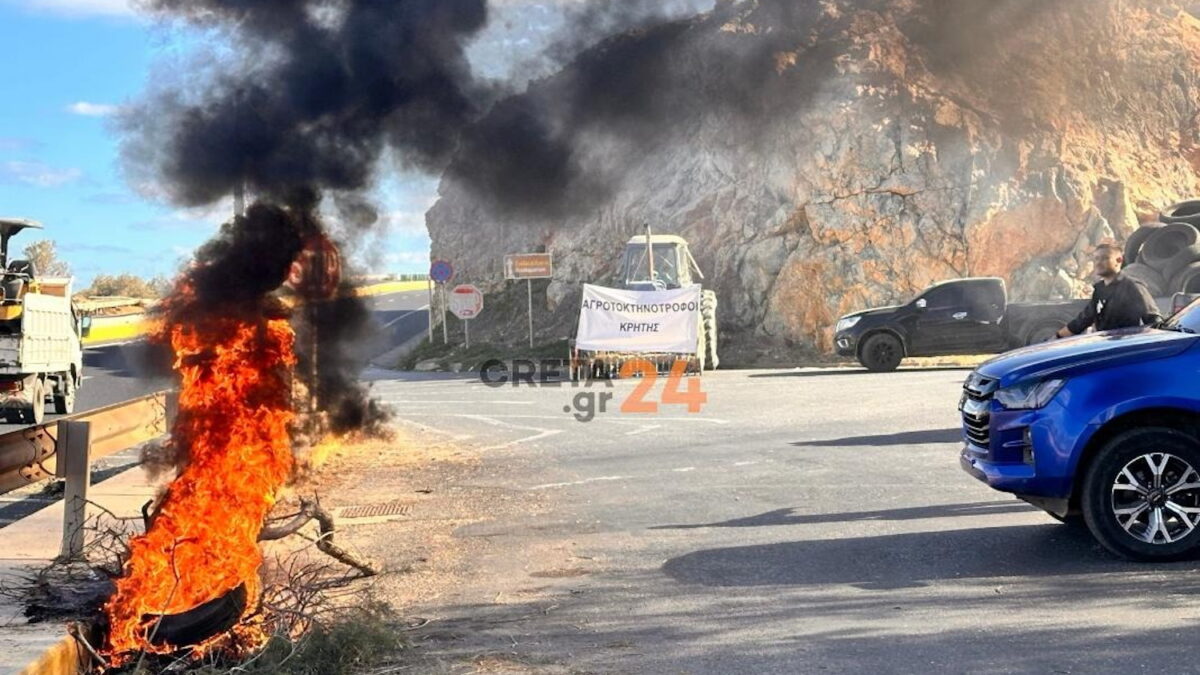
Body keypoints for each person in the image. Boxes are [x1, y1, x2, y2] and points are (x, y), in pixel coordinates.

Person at [1057, 242, 1162, 338]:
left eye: (1104, 258)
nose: (1098, 263)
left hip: (1124, 348)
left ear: (1119, 260)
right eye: (1096, 259)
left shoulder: (1132, 287)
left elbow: (1154, 321)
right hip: (1104, 346)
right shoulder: (1099, 290)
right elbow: (1082, 320)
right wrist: (1055, 339)